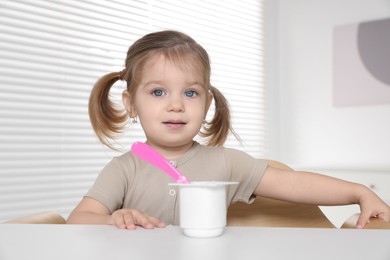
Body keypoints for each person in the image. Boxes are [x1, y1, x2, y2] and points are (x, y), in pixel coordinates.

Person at [67, 30, 390, 230]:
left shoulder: (227, 163)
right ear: (131, 103)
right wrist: (114, 219)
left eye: (190, 93)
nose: (176, 105)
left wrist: (359, 192)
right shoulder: (124, 168)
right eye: (158, 92)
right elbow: (78, 220)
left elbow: (294, 184)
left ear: (207, 103)